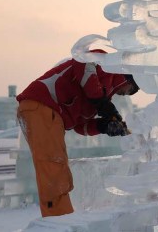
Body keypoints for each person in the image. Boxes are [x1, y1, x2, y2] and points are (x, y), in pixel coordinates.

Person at [16, 55, 139, 217]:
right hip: (42, 104)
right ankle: (59, 218)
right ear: (130, 80)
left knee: (57, 164)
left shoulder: (103, 94)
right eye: (130, 91)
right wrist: (101, 102)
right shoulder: (107, 65)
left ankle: (60, 215)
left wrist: (103, 126)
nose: (125, 95)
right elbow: (83, 61)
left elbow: (80, 127)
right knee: (53, 164)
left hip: (50, 114)